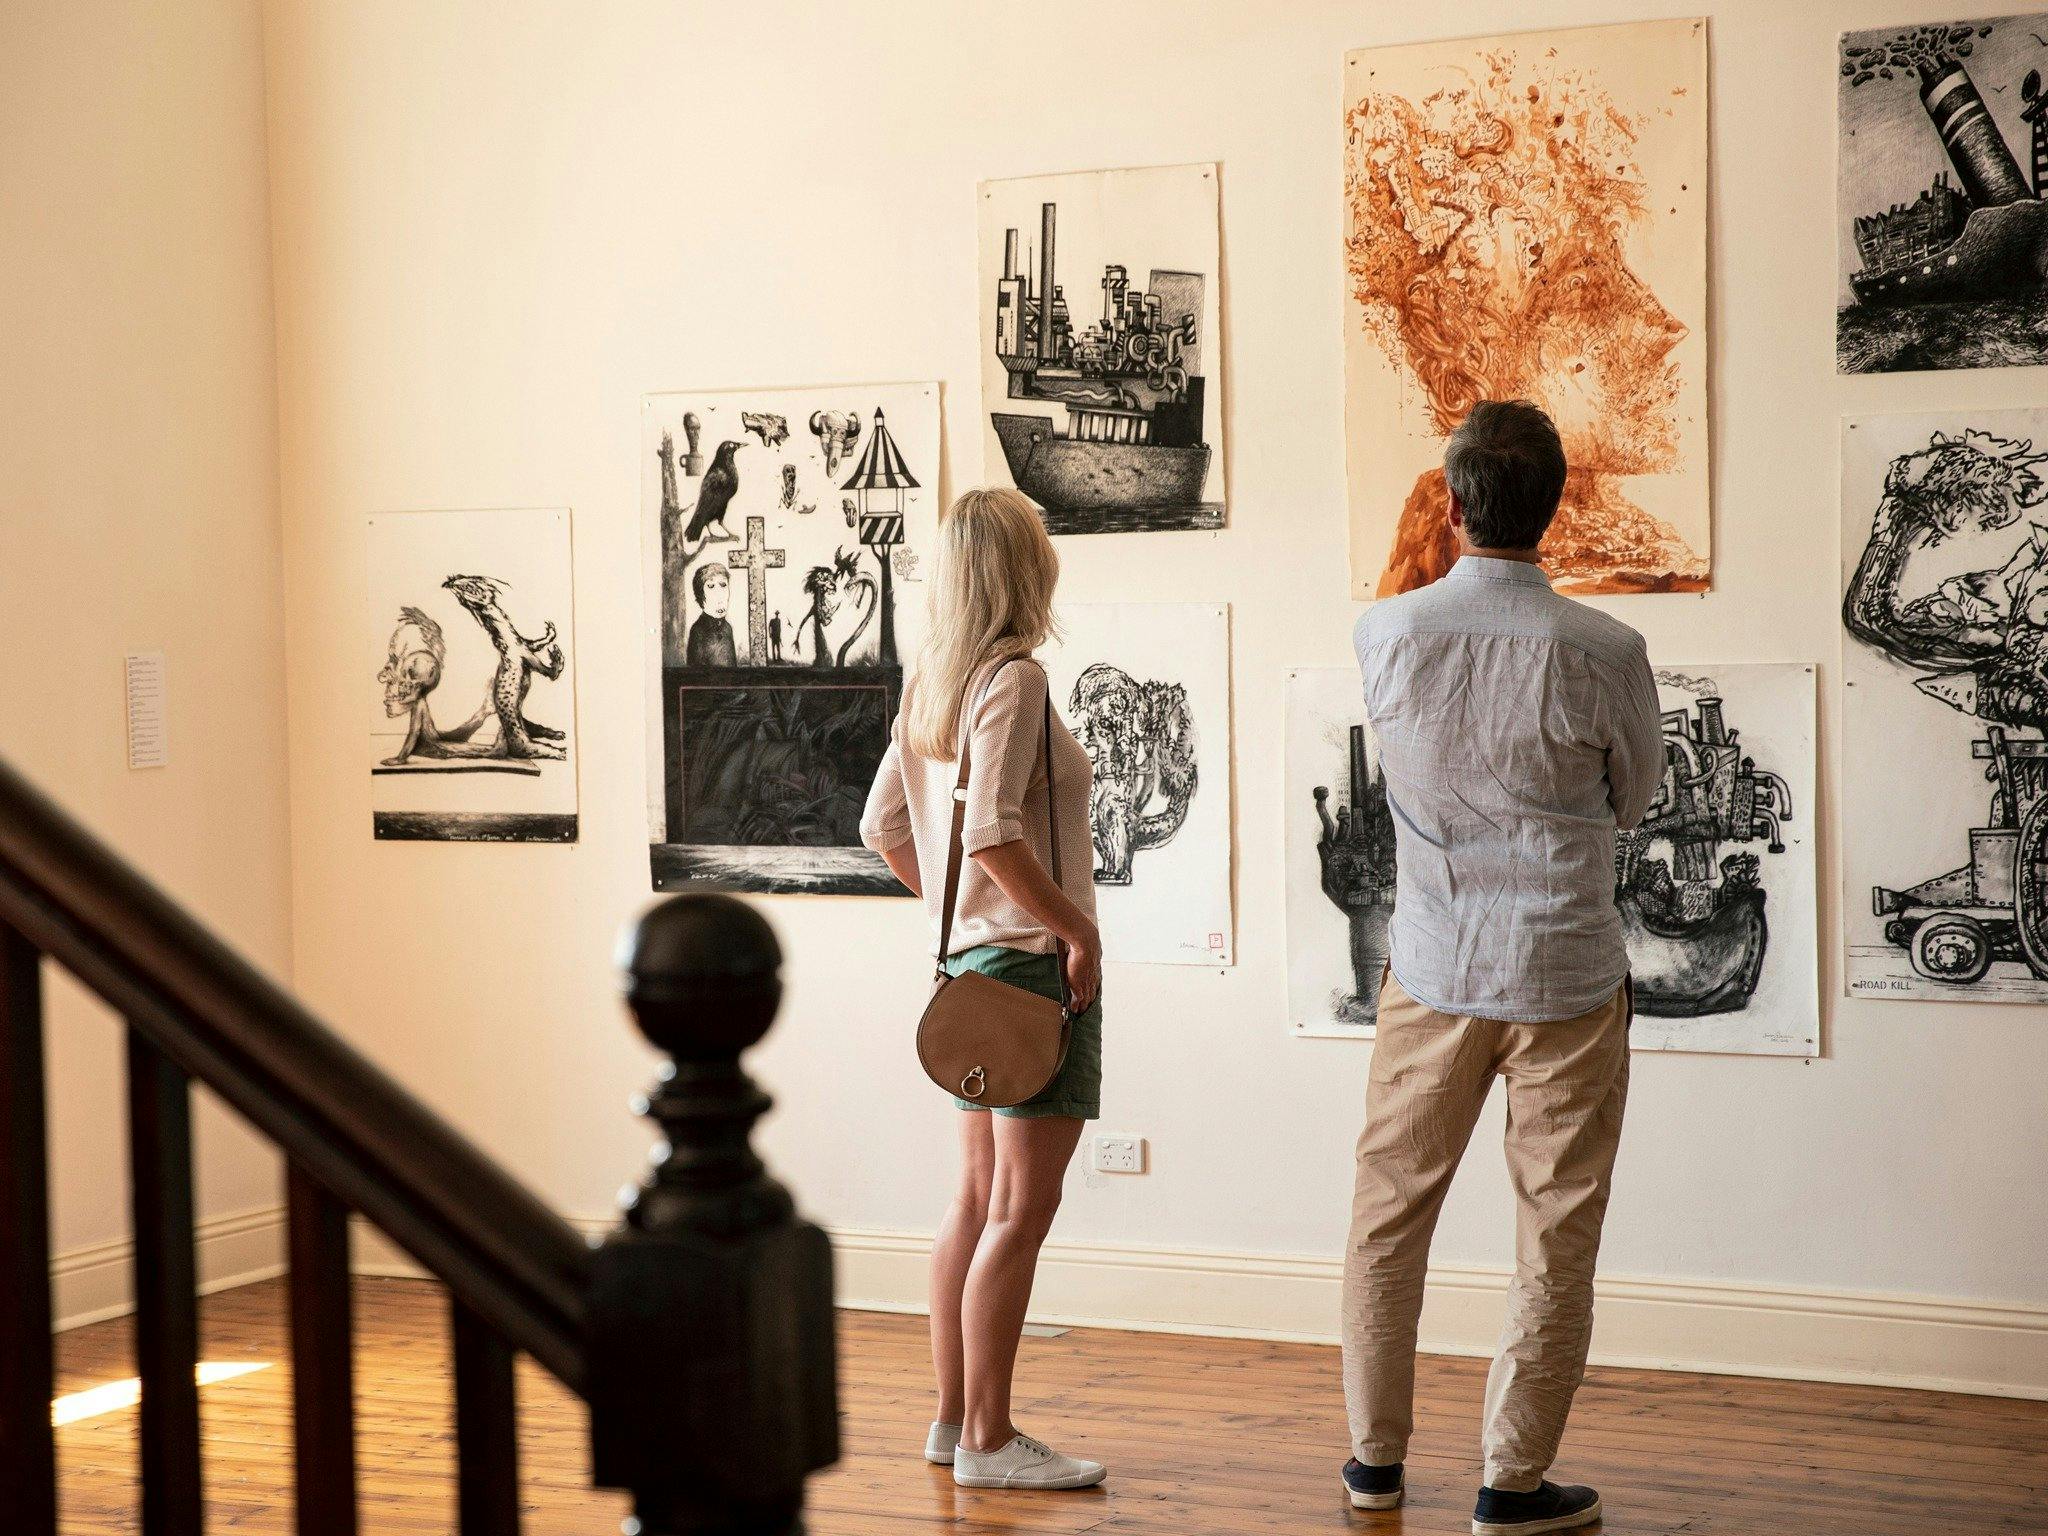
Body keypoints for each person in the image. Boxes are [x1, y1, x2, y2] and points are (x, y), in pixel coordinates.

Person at [1340, 400, 1665, 1535]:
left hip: (1431, 965)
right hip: (1566, 973)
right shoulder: (1605, 648)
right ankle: (1507, 1487)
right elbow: (1637, 798)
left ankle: (1373, 1465)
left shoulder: (1383, 633)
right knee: (1552, 1236)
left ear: (1454, 492)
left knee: (1387, 1221)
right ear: (1554, 501)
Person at [859, 486, 1107, 1492]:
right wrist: (1067, 926)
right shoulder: (1013, 679)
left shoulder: (937, 680)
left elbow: (884, 829)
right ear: (1023, 568)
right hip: (1022, 976)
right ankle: (989, 1441)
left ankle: (952, 1420)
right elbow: (995, 831)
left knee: (973, 1198)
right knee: (1019, 1208)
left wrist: (955, 922)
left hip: (967, 972)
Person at [685, 561, 738, 666]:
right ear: (701, 595)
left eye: (723, 585)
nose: (720, 595)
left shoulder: (727, 628)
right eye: (711, 586)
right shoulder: (698, 631)